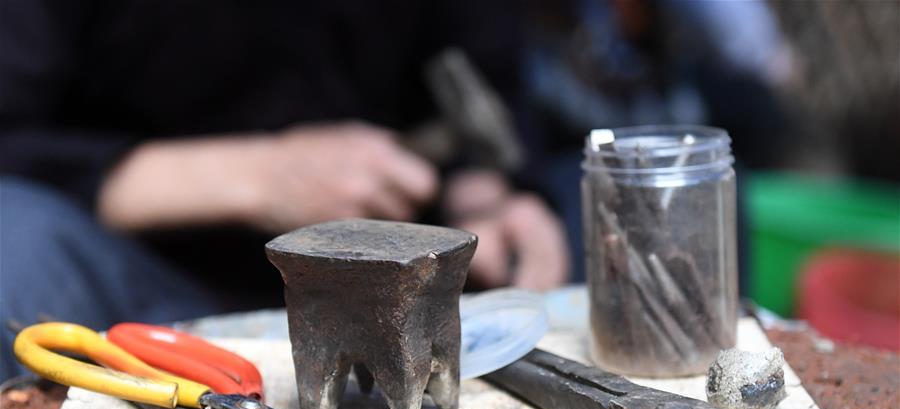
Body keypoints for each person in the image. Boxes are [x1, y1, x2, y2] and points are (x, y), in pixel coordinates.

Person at [0, 1, 570, 380]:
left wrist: (489, 204)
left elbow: (483, 91)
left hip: (397, 286)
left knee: (597, 201)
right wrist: (257, 176)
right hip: (147, 290)